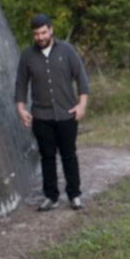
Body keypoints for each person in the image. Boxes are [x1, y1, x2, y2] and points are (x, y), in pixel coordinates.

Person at [15, 14, 90, 211]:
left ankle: (74, 195)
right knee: (47, 157)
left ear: (51, 30)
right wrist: (20, 109)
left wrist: (81, 105)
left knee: (69, 155)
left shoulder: (67, 51)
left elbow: (82, 79)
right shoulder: (27, 56)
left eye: (43, 32)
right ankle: (51, 197)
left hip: (67, 114)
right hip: (41, 116)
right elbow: (21, 84)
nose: (40, 37)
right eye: (36, 34)